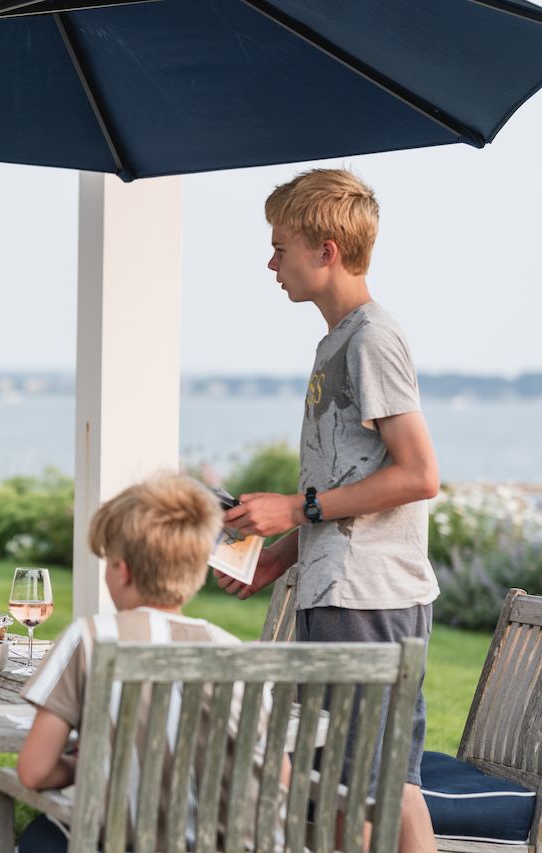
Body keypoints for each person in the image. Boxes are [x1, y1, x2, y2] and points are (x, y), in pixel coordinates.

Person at [215, 168, 440, 853]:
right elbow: (347, 486)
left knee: (366, 792)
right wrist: (276, 558)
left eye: (281, 245)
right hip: (341, 591)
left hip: (369, 598)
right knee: (382, 785)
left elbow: (419, 473)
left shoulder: (372, 338)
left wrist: (292, 505)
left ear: (326, 250)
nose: (271, 261)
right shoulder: (336, 343)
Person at [16, 473, 272, 851]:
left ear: (123, 570)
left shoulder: (90, 637)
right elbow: (273, 773)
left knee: (40, 836)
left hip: (129, 842)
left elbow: (34, 770)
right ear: (198, 570)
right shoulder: (233, 650)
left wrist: (80, 765)